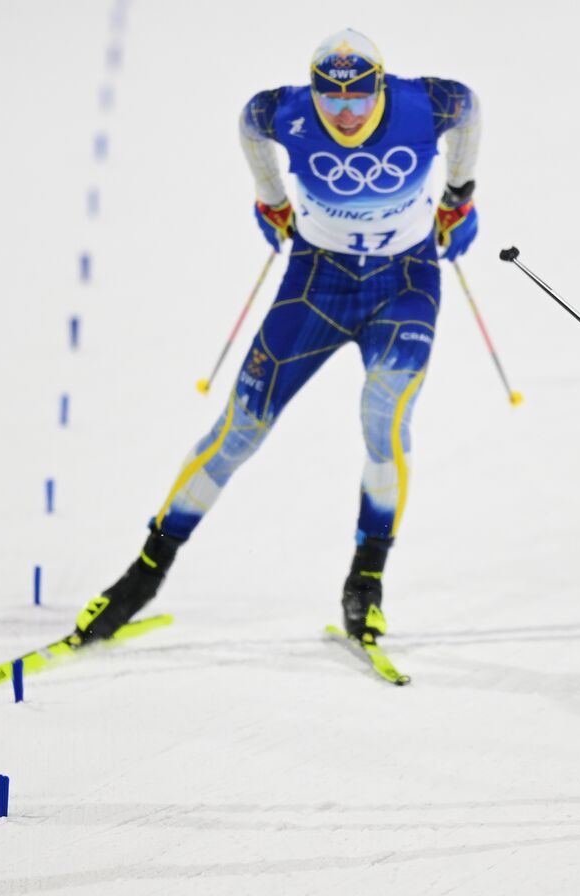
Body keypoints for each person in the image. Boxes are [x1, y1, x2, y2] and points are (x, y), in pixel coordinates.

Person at [72, 28, 481, 649]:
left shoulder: (426, 103)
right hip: (316, 282)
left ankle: (365, 582)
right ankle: (143, 576)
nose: (345, 112)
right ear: (312, 92)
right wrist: (270, 198)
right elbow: (249, 123)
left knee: (383, 421)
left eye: (360, 96)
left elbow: (470, 108)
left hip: (404, 285)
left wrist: (460, 193)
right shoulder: (283, 111)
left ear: (381, 84)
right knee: (240, 429)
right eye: (331, 97)